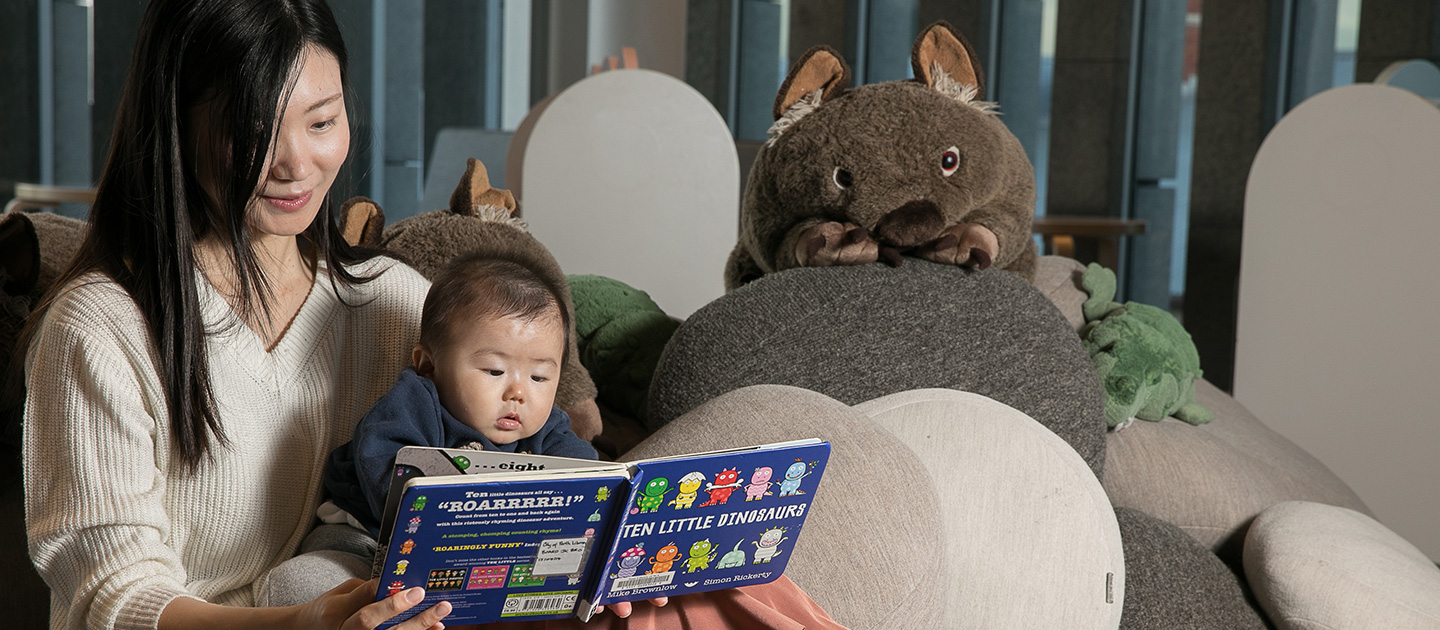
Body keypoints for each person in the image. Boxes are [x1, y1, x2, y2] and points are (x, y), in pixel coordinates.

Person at [18, 1, 450, 628]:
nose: (296, 165)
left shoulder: (398, 306)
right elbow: (110, 596)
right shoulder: (98, 328)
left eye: (322, 122)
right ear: (178, 126)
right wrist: (303, 624)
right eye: (255, 131)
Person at [321, 252, 597, 537]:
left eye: (538, 377)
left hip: (481, 552)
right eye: (494, 371)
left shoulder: (546, 428)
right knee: (312, 572)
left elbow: (584, 472)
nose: (518, 392)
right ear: (429, 365)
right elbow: (385, 469)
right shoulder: (415, 404)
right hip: (368, 531)